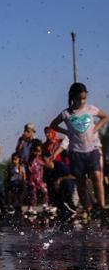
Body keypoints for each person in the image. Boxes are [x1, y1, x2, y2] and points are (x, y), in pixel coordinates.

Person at [50, 82, 108, 213]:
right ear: (72, 97)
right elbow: (53, 125)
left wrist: (96, 128)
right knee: (80, 182)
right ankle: (88, 209)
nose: (82, 101)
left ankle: (102, 207)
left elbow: (105, 117)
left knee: (97, 176)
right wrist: (66, 132)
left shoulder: (90, 109)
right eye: (79, 98)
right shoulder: (66, 113)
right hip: (76, 152)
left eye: (84, 98)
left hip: (92, 149)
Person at [25, 139, 50, 215]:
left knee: (45, 191)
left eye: (39, 151)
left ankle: (45, 205)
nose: (37, 153)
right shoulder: (30, 160)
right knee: (33, 194)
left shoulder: (40, 159)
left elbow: (44, 167)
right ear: (32, 151)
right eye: (36, 151)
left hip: (40, 179)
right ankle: (31, 208)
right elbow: (29, 170)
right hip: (32, 180)